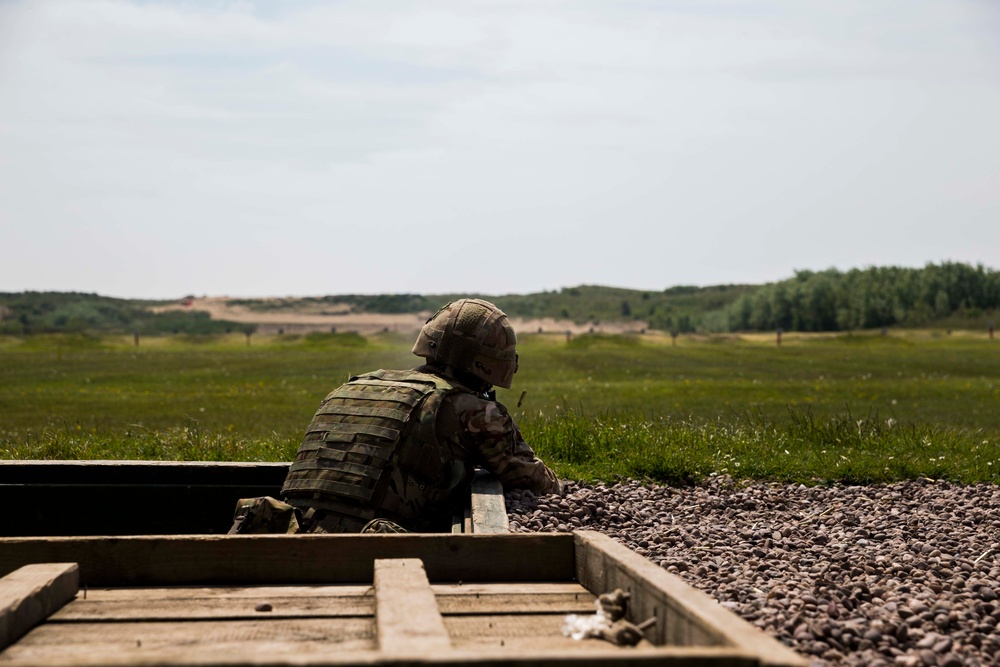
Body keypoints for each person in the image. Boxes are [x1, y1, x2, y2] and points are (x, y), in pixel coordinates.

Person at [275, 298, 560, 533]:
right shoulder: (475, 411)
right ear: (490, 363)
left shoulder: (353, 386)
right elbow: (532, 478)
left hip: (289, 527)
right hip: (368, 540)